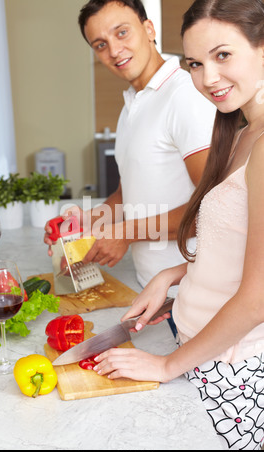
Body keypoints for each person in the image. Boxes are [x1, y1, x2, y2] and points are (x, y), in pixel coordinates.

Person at [92, 0, 264, 451]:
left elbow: (258, 296)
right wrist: (172, 275)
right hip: (199, 348)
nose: (208, 78)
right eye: (195, 63)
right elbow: (231, 241)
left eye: (223, 55)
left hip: (234, 366)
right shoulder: (239, 128)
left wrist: (167, 367)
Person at [44, 0, 216, 300]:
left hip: (195, 292)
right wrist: (88, 221)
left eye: (122, 33)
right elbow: (129, 195)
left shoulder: (185, 97)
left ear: (148, 29)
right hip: (152, 289)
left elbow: (211, 208)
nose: (113, 50)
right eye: (100, 44)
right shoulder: (133, 106)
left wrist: (125, 233)